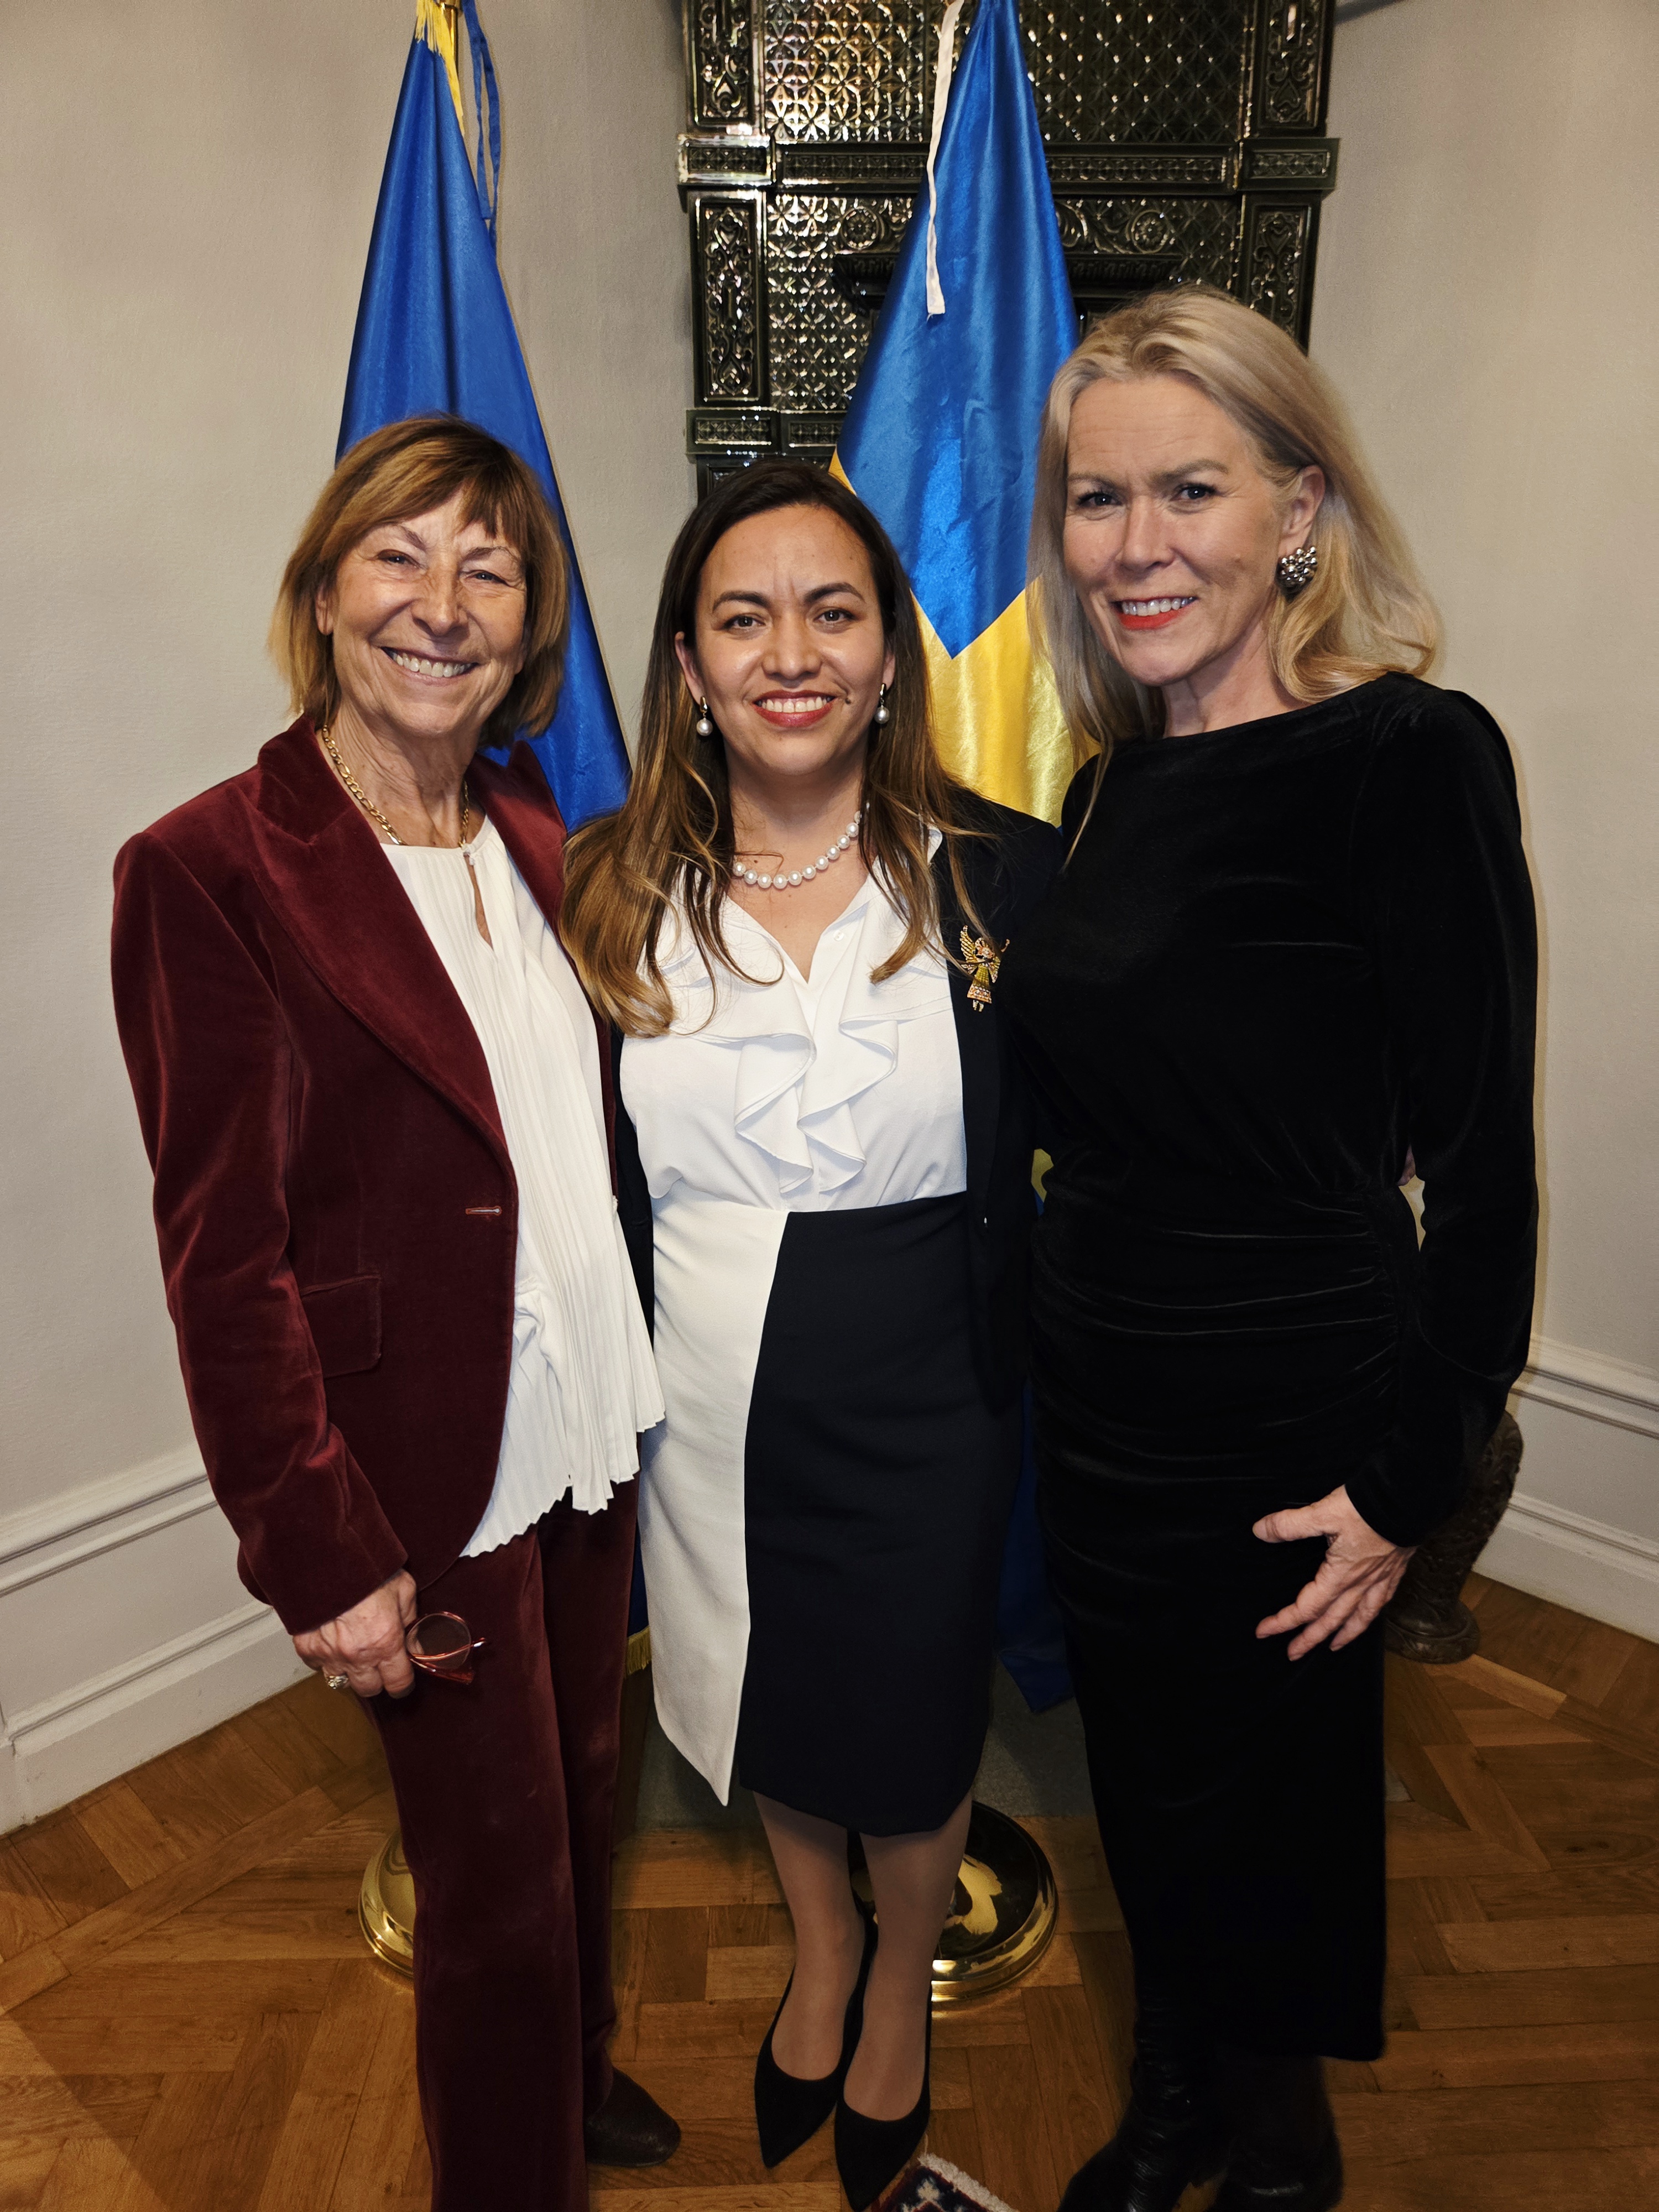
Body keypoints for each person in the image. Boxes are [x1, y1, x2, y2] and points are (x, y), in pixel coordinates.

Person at [999, 288, 1537, 2212]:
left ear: (1298, 511)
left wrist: (1405, 1485)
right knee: (1148, 1790)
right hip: (1105, 1409)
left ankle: (1282, 2155)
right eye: (1097, 498)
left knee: (1273, 1826)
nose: (1137, 545)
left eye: (1192, 490)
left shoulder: (1409, 756)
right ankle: (1174, 2110)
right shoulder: (1105, 785)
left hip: (1293, 1425)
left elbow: (1484, 1171)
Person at [110, 416, 678, 2212]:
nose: (443, 606)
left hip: (585, 1418)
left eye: (488, 572)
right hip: (422, 1466)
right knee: (490, 1880)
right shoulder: (208, 867)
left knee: (583, 1788)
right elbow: (222, 1257)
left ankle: (573, 2078)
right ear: (323, 594)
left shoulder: (533, 830)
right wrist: (318, 1548)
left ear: (527, 628)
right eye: (401, 558)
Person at [560, 459, 1060, 2207]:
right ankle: (823, 1949)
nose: (791, 652)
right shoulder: (604, 886)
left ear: (889, 656)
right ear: (688, 664)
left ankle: (899, 1988)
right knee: (757, 1682)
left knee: (911, 1718)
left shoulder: (1002, 875)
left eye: (833, 612)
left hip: (931, 1378)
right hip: (702, 1381)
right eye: (744, 617)